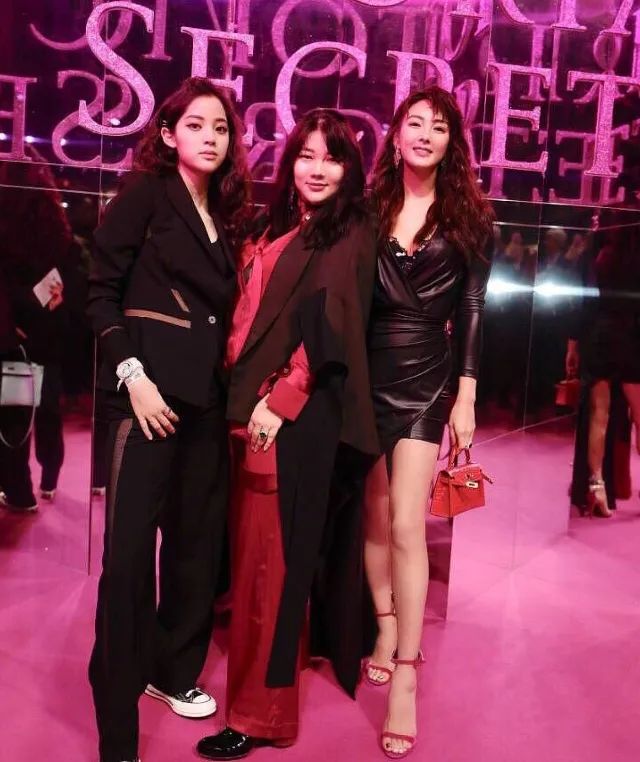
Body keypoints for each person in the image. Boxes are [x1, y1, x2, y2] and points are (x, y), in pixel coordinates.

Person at [197, 108, 379, 760]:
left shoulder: (350, 230)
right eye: (307, 154)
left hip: (285, 424)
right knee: (252, 568)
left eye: (332, 157)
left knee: (266, 575)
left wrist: (282, 400)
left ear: (350, 169)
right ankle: (262, 694)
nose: (317, 169)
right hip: (242, 411)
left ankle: (261, 716)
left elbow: (331, 326)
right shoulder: (279, 224)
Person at [86, 76, 251, 762]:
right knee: (128, 562)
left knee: (196, 549)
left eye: (221, 128)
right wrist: (133, 375)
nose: (210, 137)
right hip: (144, 402)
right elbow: (100, 290)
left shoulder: (228, 213)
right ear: (168, 133)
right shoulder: (147, 194)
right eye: (197, 125)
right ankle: (116, 724)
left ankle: (171, 670)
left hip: (206, 404)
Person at [363, 87, 493, 758]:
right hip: (365, 374)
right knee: (376, 517)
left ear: (450, 143)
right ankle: (385, 623)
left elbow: (472, 307)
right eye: (413, 123)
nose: (423, 134)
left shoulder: (470, 216)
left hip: (427, 379)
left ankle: (406, 676)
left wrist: (466, 394)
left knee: (409, 525)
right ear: (395, 136)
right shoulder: (369, 208)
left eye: (437, 127)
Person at [0, 154, 74, 510]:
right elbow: (65, 274)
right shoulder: (54, 227)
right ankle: (50, 477)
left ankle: (20, 492)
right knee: (47, 410)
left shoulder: (5, 225)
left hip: (15, 333)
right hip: (47, 329)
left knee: (15, 412)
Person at [567, 225, 640, 517]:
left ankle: (596, 486)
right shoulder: (633, 255)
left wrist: (573, 344)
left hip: (602, 335)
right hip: (633, 335)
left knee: (600, 414)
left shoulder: (599, 256)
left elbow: (584, 302)